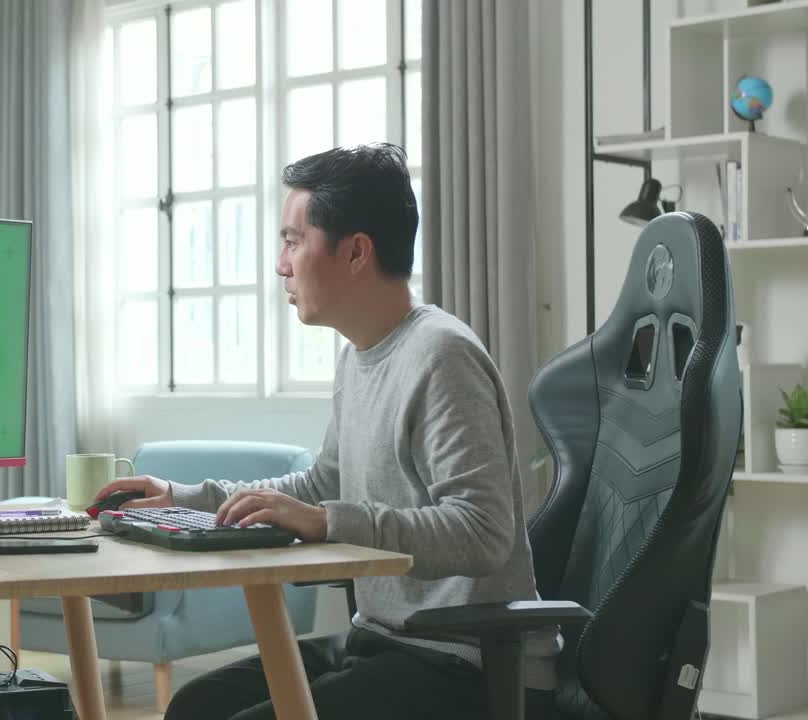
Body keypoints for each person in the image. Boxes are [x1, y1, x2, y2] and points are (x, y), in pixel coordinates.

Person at [93, 143, 558, 719]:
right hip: (385, 643)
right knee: (195, 709)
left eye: (293, 240)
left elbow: (484, 531)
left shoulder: (442, 357)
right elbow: (321, 486)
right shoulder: (359, 356)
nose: (281, 264)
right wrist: (180, 496)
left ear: (356, 251)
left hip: (467, 662)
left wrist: (329, 522)